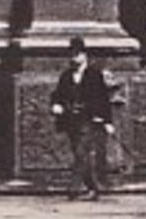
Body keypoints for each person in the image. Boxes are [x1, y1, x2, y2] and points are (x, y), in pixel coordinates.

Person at [49, 35, 115, 200]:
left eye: (77, 54)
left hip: (89, 119)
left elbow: (103, 99)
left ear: (85, 55)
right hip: (71, 119)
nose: (74, 57)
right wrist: (56, 105)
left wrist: (107, 121)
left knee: (80, 151)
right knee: (80, 153)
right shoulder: (66, 75)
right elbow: (58, 94)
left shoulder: (94, 74)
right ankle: (93, 187)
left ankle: (73, 188)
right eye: (71, 54)